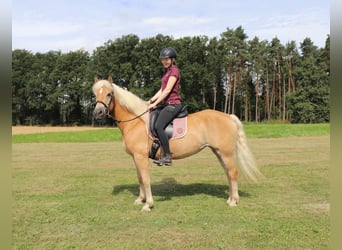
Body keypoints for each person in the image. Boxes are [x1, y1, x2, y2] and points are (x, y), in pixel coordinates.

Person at [147, 47, 182, 166]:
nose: (164, 61)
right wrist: (150, 100)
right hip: (166, 104)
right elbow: (161, 90)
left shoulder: (174, 71)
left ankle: (167, 155)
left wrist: (155, 104)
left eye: (167, 59)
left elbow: (167, 91)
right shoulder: (167, 73)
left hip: (173, 104)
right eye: (163, 59)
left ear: (172, 59)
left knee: (158, 126)